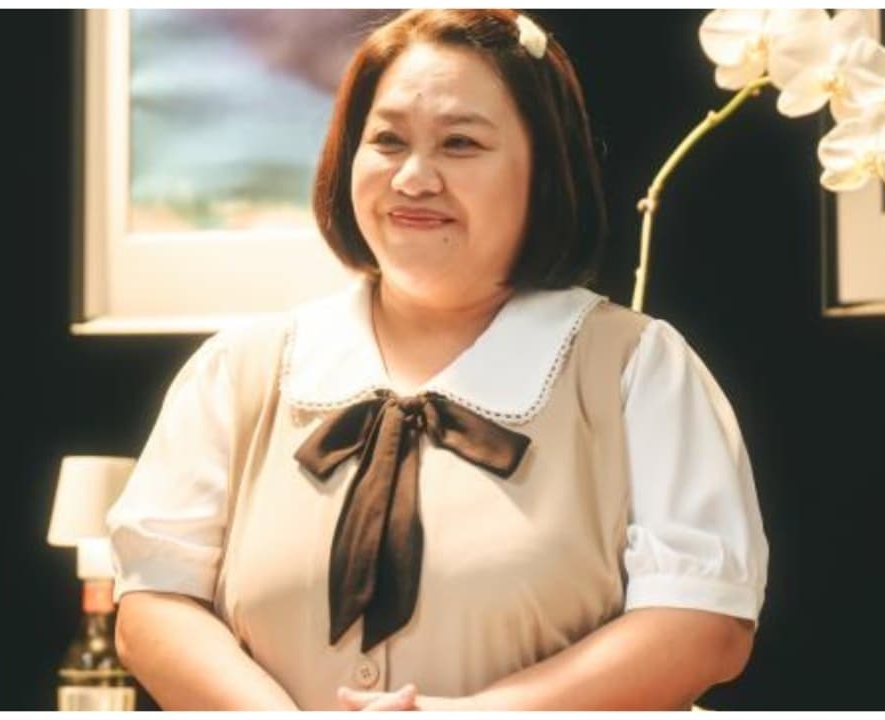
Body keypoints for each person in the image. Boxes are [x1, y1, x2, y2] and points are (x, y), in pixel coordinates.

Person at [107, 9, 768, 711]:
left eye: (460, 143)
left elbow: (703, 626)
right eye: (387, 141)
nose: (414, 177)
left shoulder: (638, 369)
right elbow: (155, 606)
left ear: (546, 169)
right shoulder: (238, 370)